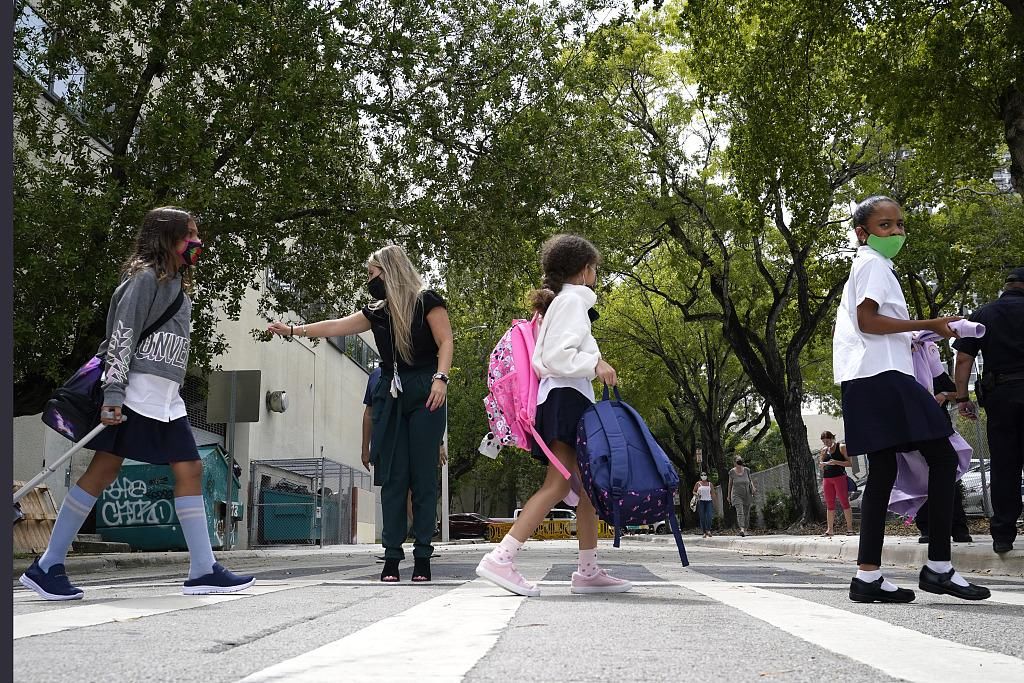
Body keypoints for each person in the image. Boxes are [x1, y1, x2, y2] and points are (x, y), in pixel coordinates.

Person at [20, 207, 255, 600]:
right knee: (103, 471)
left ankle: (202, 568)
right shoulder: (144, 280)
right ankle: (48, 564)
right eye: (190, 235)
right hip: (135, 393)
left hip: (166, 397)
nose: (197, 243)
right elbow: (121, 336)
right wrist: (113, 395)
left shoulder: (177, 286)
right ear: (168, 239)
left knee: (189, 467)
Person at [833, 195, 989, 603]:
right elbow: (868, 321)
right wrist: (930, 323)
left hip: (862, 380)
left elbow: (868, 325)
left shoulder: (864, 267)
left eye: (900, 224)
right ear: (862, 232)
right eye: (886, 226)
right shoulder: (873, 264)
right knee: (941, 455)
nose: (897, 232)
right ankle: (938, 567)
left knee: (883, 470)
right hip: (883, 377)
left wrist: (915, 335)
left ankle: (867, 578)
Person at [271, 245, 452, 582]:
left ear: (390, 271)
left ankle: (423, 556)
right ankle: (393, 558)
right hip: (391, 391)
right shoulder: (377, 312)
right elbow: (336, 327)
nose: (369, 281)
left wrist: (441, 378)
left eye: (372, 274)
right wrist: (295, 330)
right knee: (395, 478)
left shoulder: (427, 300)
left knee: (424, 479)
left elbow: (445, 342)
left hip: (426, 388)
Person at [475, 234, 632, 596]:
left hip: (564, 399)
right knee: (558, 484)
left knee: (587, 490)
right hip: (565, 399)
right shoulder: (572, 302)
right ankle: (501, 558)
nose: (597, 275)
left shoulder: (561, 303)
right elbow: (555, 359)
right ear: (584, 270)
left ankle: (588, 571)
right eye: (595, 268)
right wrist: (597, 363)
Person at [953, 265, 1024, 554]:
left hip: (1002, 397)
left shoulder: (983, 314)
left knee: (1005, 465)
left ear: (1006, 287)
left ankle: (1003, 535)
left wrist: (962, 398)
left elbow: (963, 360)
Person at [904, 337, 971, 544]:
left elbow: (954, 392)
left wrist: (942, 394)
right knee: (920, 478)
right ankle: (927, 527)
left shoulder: (933, 367)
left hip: (939, 429)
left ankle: (958, 526)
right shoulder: (900, 372)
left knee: (949, 477)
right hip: (911, 432)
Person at [818, 432, 854, 537]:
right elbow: (821, 465)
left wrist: (836, 462)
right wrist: (822, 463)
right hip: (827, 479)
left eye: (827, 441)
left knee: (844, 501)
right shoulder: (824, 450)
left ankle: (850, 529)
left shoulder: (841, 447)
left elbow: (850, 463)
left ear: (832, 438)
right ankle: (830, 530)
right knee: (829, 503)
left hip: (839, 477)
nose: (826, 443)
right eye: (824, 441)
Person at [727, 457, 756, 537]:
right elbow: (730, 485)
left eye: (740, 461)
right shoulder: (732, 472)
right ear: (734, 462)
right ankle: (742, 529)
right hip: (737, 495)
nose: (739, 462)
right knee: (740, 512)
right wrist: (728, 496)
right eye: (737, 461)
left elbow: (750, 480)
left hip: (747, 493)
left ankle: (745, 529)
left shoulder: (747, 470)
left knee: (746, 512)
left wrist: (753, 487)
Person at [692, 472, 716, 538]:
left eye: (705, 475)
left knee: (709, 516)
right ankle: (704, 532)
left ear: (707, 476)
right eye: (702, 475)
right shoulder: (698, 483)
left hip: (709, 501)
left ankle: (708, 530)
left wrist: (715, 502)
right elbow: (693, 491)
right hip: (701, 501)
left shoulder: (709, 484)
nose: (703, 476)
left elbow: (713, 493)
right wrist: (697, 494)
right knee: (702, 516)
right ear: (700, 476)